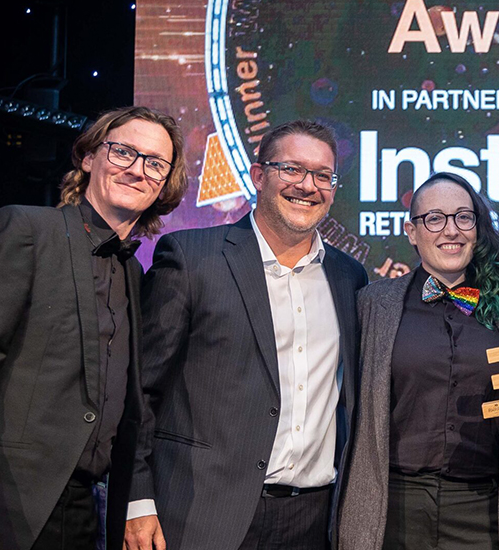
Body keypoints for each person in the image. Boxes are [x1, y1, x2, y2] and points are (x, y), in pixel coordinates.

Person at [0, 106, 187, 550]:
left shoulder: (136, 273)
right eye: (123, 153)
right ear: (89, 158)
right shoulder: (27, 229)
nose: (137, 170)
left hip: (82, 513)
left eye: (154, 163)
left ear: (165, 184)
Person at [124, 120, 369, 550]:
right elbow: (140, 392)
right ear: (258, 176)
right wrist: (137, 499)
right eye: (291, 169)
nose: (307, 186)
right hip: (201, 512)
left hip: (314, 522)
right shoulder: (191, 258)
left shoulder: (349, 277)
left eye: (322, 176)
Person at [338, 172, 499, 549]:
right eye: (435, 218)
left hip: (483, 511)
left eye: (463, 217)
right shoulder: (372, 304)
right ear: (412, 231)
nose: (451, 230)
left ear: (477, 228)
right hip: (390, 507)